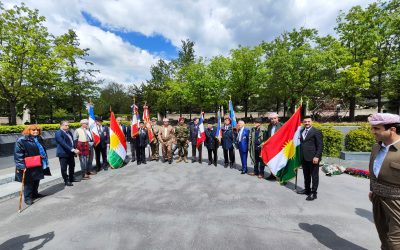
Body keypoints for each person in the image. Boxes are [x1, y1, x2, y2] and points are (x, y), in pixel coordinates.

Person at [368, 113, 400, 249]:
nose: (373, 132)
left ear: (392, 130)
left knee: (395, 242)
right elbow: (374, 171)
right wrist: (372, 189)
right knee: (384, 236)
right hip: (377, 198)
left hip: (397, 201)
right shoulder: (376, 147)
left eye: (377, 128)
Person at [14, 124, 51, 205]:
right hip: (28, 164)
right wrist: (21, 166)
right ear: (28, 130)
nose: (36, 131)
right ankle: (28, 198)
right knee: (28, 182)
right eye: (33, 130)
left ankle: (35, 194)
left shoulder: (39, 138)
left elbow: (40, 149)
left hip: (38, 162)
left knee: (37, 179)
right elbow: (18, 154)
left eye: (37, 130)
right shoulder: (21, 140)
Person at [297, 116, 323, 201]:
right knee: (306, 175)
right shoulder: (301, 131)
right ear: (303, 122)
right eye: (305, 122)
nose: (307, 123)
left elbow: (320, 145)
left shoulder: (316, 131)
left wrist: (317, 156)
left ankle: (313, 193)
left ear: (312, 122)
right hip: (304, 157)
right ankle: (307, 190)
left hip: (313, 158)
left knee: (314, 176)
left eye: (308, 121)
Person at [55, 121, 80, 186]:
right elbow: (63, 143)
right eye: (66, 125)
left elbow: (72, 142)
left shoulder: (69, 132)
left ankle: (71, 178)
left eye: (68, 125)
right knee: (64, 168)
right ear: (61, 125)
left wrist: (75, 148)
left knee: (72, 166)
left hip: (70, 153)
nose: (68, 127)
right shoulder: (58, 133)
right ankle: (66, 180)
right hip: (63, 153)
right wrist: (73, 149)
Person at [265, 112, 283, 180]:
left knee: (280, 162)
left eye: (275, 118)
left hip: (279, 147)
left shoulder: (282, 125)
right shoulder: (269, 126)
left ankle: (281, 176)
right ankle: (272, 175)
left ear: (278, 118)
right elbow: (268, 136)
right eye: (272, 119)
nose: (273, 120)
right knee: (271, 161)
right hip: (271, 147)